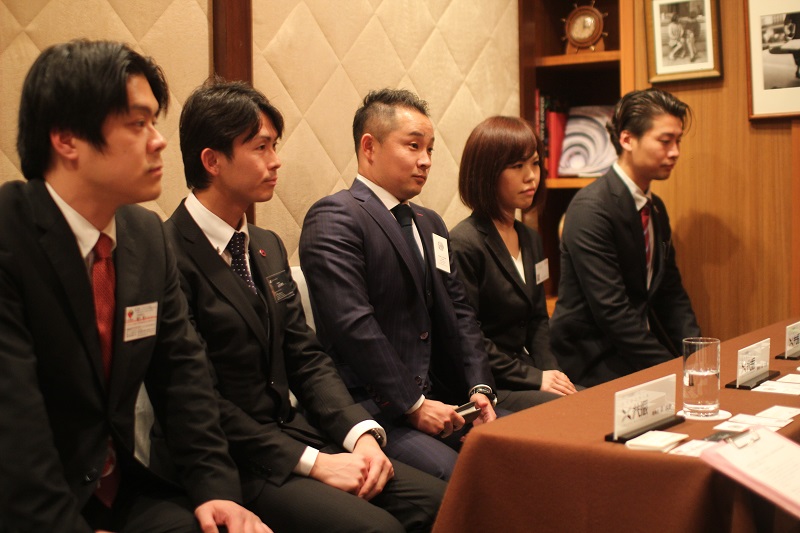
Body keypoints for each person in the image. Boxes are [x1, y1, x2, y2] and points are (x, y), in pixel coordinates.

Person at [0, 40, 269, 533]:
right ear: (66, 140)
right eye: (137, 123)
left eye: (154, 122)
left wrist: (216, 491)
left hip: (120, 487)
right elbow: (13, 428)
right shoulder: (9, 236)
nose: (158, 141)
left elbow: (183, 378)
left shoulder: (145, 235)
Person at [165, 78, 445, 533]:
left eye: (274, 145)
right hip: (234, 458)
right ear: (212, 161)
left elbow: (306, 356)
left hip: (299, 431)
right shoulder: (167, 253)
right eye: (260, 147)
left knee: (439, 501)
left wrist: (361, 435)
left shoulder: (265, 245)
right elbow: (196, 397)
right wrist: (315, 463)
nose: (276, 160)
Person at [298, 89, 497, 480]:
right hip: (376, 405)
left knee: (518, 446)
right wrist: (414, 403)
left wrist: (480, 388)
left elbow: (460, 311)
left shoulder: (430, 222)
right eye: (413, 146)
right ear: (369, 147)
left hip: (444, 397)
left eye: (430, 149)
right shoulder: (336, 216)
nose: (426, 160)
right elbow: (354, 326)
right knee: (459, 474)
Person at [550, 88, 701, 388]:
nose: (675, 152)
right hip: (593, 361)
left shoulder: (654, 208)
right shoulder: (591, 208)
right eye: (665, 141)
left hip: (636, 354)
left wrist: (698, 357)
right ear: (627, 139)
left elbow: (671, 293)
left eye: (678, 141)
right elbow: (612, 312)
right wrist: (673, 370)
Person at [450, 116, 578, 411]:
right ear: (487, 173)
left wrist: (551, 373)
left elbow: (538, 320)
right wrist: (535, 378)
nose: (531, 176)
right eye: (517, 166)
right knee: (573, 411)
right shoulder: (464, 243)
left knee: (590, 402)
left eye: (535, 163)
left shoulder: (531, 238)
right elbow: (468, 336)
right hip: (488, 383)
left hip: (525, 371)